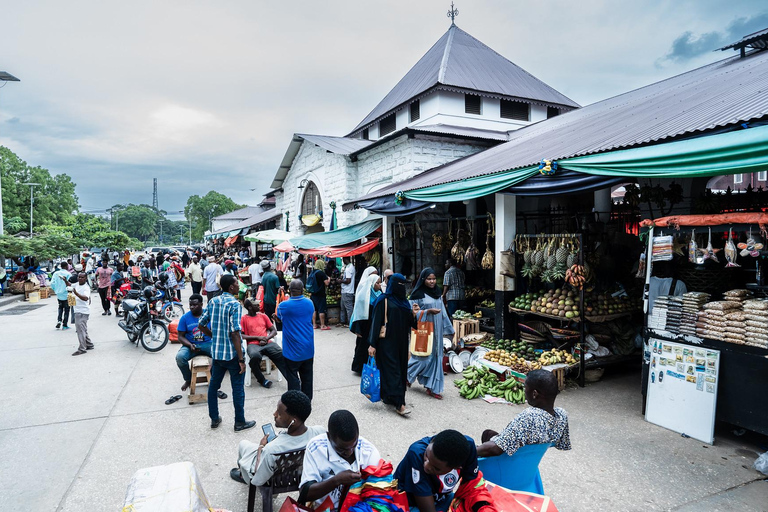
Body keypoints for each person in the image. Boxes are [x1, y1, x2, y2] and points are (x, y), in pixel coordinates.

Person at [197, 274, 256, 432]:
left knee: (213, 386)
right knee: (237, 388)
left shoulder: (213, 301)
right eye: (237, 283)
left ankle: (214, 419)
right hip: (232, 354)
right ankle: (239, 422)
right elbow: (235, 333)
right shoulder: (234, 304)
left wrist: (214, 336)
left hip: (217, 353)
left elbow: (201, 324)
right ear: (231, 287)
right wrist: (241, 359)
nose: (239, 286)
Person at [231, 390, 326, 485]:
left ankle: (243, 475)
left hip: (274, 479)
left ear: (294, 421)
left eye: (279, 414)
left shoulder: (271, 449)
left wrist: (261, 448)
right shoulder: (319, 432)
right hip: (299, 473)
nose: (274, 414)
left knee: (243, 444)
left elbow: (258, 480)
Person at [476, 369, 571, 458]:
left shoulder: (530, 417)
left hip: (509, 463)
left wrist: (471, 450)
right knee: (488, 434)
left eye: (525, 387)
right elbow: (561, 444)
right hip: (530, 462)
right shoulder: (561, 415)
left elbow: (495, 449)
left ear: (534, 394)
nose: (524, 391)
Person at [300, 410, 381, 511]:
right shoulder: (316, 447)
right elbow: (305, 494)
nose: (349, 452)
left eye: (354, 445)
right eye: (342, 449)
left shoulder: (369, 452)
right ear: (329, 437)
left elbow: (378, 497)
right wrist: (336, 480)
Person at [367, 274, 419, 416]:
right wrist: (372, 344)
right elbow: (376, 323)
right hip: (386, 343)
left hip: (402, 343)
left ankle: (389, 397)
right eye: (399, 284)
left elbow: (410, 323)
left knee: (400, 370)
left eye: (404, 284)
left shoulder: (404, 302)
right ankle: (399, 404)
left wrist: (413, 314)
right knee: (393, 371)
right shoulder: (383, 300)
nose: (402, 287)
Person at [395, 430, 480, 512]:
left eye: (436, 468)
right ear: (432, 442)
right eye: (426, 455)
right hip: (411, 504)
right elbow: (427, 510)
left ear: (456, 467)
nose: (427, 466)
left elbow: (471, 488)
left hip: (443, 499)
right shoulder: (416, 453)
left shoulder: (467, 448)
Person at [407, 268, 455, 400]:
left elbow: (443, 312)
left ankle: (433, 387)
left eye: (434, 278)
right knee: (423, 358)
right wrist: (427, 312)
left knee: (436, 357)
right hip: (424, 330)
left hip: (437, 331)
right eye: (429, 279)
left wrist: (449, 329)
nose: (432, 281)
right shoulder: (417, 294)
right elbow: (412, 313)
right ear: (423, 279)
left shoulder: (437, 293)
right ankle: (406, 376)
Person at [174, 293, 225, 399]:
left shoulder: (209, 315)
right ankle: (188, 379)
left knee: (219, 356)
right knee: (180, 358)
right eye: (190, 305)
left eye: (195, 305)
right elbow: (180, 336)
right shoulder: (185, 318)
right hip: (190, 345)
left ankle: (214, 382)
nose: (192, 307)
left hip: (207, 343)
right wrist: (189, 344)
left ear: (201, 304)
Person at [277, 280, 315, 399]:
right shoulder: (310, 303)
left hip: (291, 350)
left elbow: (279, 316)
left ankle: (295, 401)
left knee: (293, 377)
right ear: (303, 290)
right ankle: (307, 400)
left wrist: (279, 296)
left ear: (290, 290)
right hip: (308, 348)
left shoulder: (284, 306)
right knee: (307, 377)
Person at [241, 298, 288, 388]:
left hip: (267, 342)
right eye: (256, 305)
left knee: (280, 354)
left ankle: (291, 380)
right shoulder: (244, 319)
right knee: (255, 357)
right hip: (253, 344)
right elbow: (241, 336)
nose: (259, 306)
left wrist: (266, 338)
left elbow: (274, 331)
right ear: (250, 307)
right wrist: (257, 338)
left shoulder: (263, 316)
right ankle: (262, 380)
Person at [350, 267, 381, 373]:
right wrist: (357, 329)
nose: (380, 285)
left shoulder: (380, 295)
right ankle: (359, 368)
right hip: (364, 326)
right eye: (377, 283)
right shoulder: (363, 296)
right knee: (362, 347)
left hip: (374, 325)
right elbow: (358, 313)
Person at [70, 272, 94, 356]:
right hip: (77, 310)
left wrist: (76, 293)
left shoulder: (86, 288)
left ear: (86, 278)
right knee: (82, 329)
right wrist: (65, 280)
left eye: (82, 277)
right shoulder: (76, 285)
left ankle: (82, 348)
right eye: (79, 277)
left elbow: (85, 298)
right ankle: (89, 344)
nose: (80, 278)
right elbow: (70, 285)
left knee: (80, 330)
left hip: (82, 312)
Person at [309, 259, 331, 330]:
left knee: (314, 310)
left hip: (313, 294)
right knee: (321, 309)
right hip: (320, 294)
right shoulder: (321, 273)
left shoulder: (312, 272)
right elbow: (326, 283)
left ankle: (314, 324)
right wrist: (329, 279)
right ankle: (322, 325)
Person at [52, 262, 72, 330]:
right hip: (66, 293)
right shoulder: (68, 274)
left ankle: (59, 320)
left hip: (59, 294)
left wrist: (56, 290)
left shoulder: (56, 273)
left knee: (60, 308)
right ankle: (65, 325)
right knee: (67, 309)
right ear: (66, 266)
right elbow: (70, 284)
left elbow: (52, 283)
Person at [339, 257, 356, 328]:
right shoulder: (349, 267)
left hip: (347, 291)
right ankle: (342, 321)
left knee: (349, 308)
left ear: (344, 259)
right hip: (345, 290)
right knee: (342, 307)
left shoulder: (349, 268)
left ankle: (350, 323)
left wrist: (340, 281)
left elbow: (348, 280)